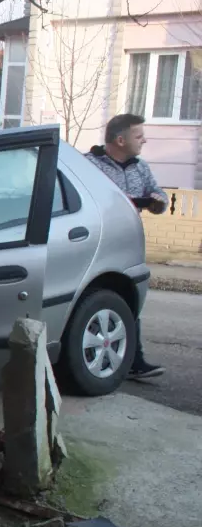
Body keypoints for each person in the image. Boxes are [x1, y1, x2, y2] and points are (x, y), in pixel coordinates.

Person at [86, 113, 167, 380]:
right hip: (93, 243)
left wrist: (157, 202)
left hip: (128, 243)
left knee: (127, 298)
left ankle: (134, 360)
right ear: (120, 140)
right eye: (138, 135)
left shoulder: (140, 167)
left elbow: (160, 195)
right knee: (94, 299)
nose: (144, 140)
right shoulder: (89, 165)